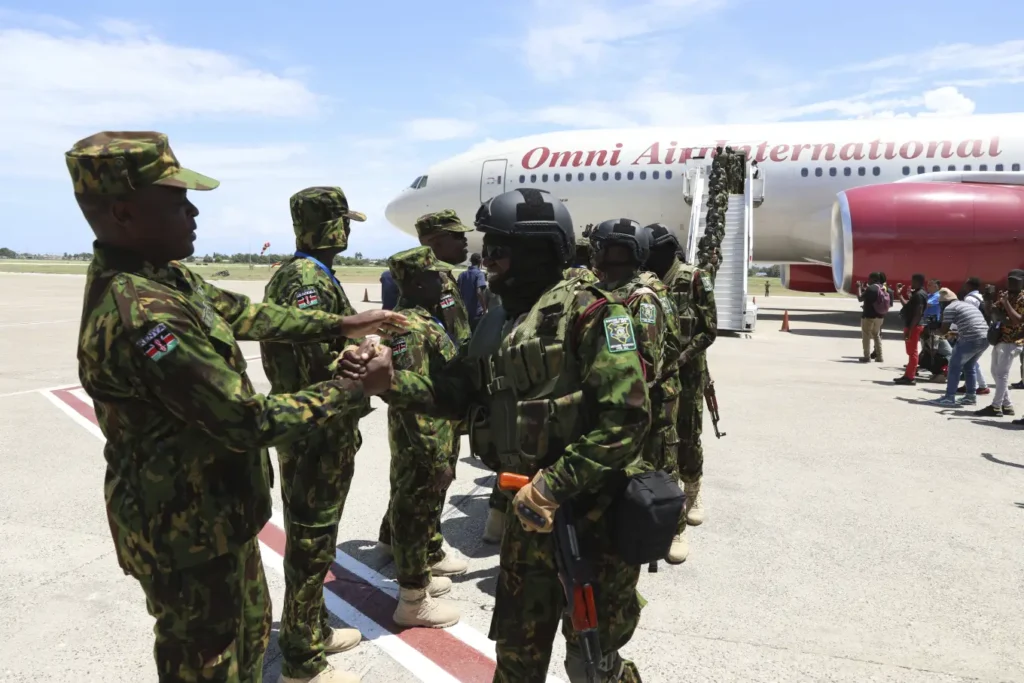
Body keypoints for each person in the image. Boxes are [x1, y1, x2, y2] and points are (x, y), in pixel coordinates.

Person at [67, 131, 406, 683]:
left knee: (247, 644)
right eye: (177, 200)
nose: (194, 210)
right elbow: (245, 420)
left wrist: (341, 323)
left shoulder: (165, 277)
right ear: (125, 211)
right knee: (210, 663)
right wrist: (351, 390)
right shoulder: (144, 313)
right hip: (183, 533)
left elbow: (248, 315)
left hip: (215, 517)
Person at [349, 188, 651, 682]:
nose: (484, 261)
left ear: (537, 251)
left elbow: (627, 420)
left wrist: (554, 485)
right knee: (515, 657)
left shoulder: (596, 314)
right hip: (527, 518)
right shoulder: (500, 320)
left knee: (594, 661)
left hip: (591, 518)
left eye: (497, 251)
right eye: (485, 250)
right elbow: (460, 391)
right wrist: (389, 382)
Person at [260, 186, 373, 683]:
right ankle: (304, 660)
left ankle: (312, 627)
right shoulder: (306, 279)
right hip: (315, 432)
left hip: (317, 428)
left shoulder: (306, 273)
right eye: (342, 221)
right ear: (326, 224)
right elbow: (310, 362)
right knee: (311, 542)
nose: (347, 230)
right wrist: (362, 358)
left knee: (316, 538)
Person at [591, 218, 687, 562]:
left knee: (660, 465)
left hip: (650, 403)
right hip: (621, 402)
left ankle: (672, 531)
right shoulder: (603, 294)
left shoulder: (640, 299)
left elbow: (645, 365)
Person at [380, 246, 463, 628]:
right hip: (422, 442)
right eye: (435, 276)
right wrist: (434, 457)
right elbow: (411, 398)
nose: (443, 282)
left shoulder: (423, 320)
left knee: (423, 511)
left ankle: (421, 580)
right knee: (413, 513)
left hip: (432, 438)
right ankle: (412, 601)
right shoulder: (410, 328)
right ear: (415, 283)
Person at [644, 224, 717, 529]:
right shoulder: (645, 283)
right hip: (654, 375)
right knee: (657, 435)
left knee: (687, 434)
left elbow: (709, 330)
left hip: (687, 375)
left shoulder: (694, 278)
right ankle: (661, 492)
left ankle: (693, 490)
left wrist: (679, 359)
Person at [930, 288, 989, 407]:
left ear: (944, 302)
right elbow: (971, 324)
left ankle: (949, 397)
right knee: (969, 366)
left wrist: (933, 330)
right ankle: (970, 396)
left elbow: (943, 330)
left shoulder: (949, 308)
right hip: (985, 338)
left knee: (954, 366)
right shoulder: (965, 305)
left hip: (971, 339)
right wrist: (954, 333)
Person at [977, 273, 1024, 417]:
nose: (1011, 285)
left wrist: (1005, 303)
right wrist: (988, 299)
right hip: (1000, 338)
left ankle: (996, 407)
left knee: (1002, 374)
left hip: (1013, 340)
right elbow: (991, 312)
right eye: (1009, 281)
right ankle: (1007, 405)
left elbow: (1018, 321)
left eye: (1015, 282)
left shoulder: (1022, 298)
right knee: (994, 372)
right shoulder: (1006, 295)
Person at [894, 274, 928, 385]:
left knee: (912, 352)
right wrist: (899, 295)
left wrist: (910, 329)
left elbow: (918, 313)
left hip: (914, 326)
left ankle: (910, 377)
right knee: (910, 352)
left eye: (913, 281)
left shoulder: (919, 295)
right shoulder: (919, 294)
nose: (911, 283)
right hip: (913, 325)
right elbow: (907, 306)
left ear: (917, 281)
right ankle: (908, 375)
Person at [857, 272, 886, 362]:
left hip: (869, 316)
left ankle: (866, 356)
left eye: (869, 278)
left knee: (866, 335)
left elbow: (860, 298)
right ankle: (880, 356)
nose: (868, 280)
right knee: (876, 335)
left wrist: (858, 287)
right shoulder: (883, 288)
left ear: (873, 279)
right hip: (880, 316)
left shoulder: (871, 288)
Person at [457, 252, 488, 331]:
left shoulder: (462, 275)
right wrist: (484, 309)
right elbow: (479, 292)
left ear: (471, 261)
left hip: (464, 312)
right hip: (476, 313)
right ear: (480, 262)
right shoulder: (479, 274)